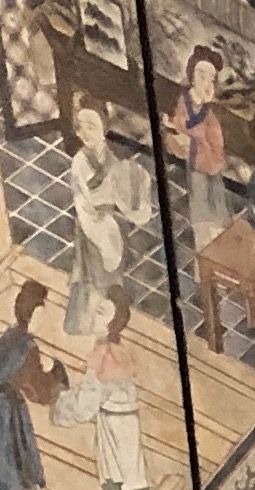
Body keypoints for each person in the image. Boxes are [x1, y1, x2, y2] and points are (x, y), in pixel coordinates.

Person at [68, 293, 155, 490]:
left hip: (118, 418)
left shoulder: (106, 352)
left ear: (112, 322)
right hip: (118, 417)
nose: (95, 317)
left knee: (124, 468)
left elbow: (92, 389)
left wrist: (71, 409)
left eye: (101, 313)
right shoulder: (111, 348)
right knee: (119, 468)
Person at [64, 100, 151, 334]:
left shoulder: (110, 157)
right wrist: (113, 197)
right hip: (91, 226)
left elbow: (121, 186)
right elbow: (91, 198)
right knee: (93, 279)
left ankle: (108, 322)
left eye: (92, 125)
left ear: (104, 126)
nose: (86, 132)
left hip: (111, 226)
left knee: (112, 278)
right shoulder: (80, 161)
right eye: (81, 126)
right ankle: (86, 324)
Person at [0, 278, 65, 490]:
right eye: (40, 314)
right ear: (32, 314)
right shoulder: (25, 346)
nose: (42, 320)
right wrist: (56, 374)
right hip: (8, 402)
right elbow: (36, 387)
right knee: (15, 447)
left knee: (5, 445)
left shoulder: (9, 336)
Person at [161, 48, 232, 244]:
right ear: (191, 75)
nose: (206, 81)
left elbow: (216, 157)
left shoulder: (210, 117)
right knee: (203, 228)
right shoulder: (181, 104)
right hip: (189, 173)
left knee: (218, 227)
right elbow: (175, 135)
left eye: (211, 77)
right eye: (201, 74)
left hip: (209, 175)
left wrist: (192, 141)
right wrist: (189, 140)